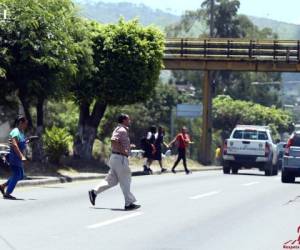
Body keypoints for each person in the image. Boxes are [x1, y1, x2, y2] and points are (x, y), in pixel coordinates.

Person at [88, 114, 140, 210]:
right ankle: (129, 203)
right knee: (126, 180)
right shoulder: (122, 130)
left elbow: (117, 142)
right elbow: (113, 140)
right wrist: (123, 150)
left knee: (111, 180)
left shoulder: (119, 129)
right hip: (120, 159)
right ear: (124, 120)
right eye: (128, 119)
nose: (130, 120)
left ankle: (94, 192)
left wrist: (128, 147)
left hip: (115, 158)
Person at [0, 116, 28, 199]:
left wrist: (27, 140)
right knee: (16, 175)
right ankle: (7, 193)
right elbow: (15, 145)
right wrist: (22, 156)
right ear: (20, 123)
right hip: (14, 157)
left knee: (21, 175)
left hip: (17, 158)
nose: (26, 125)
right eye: (25, 123)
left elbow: (20, 143)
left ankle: (3, 185)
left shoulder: (20, 132)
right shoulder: (15, 131)